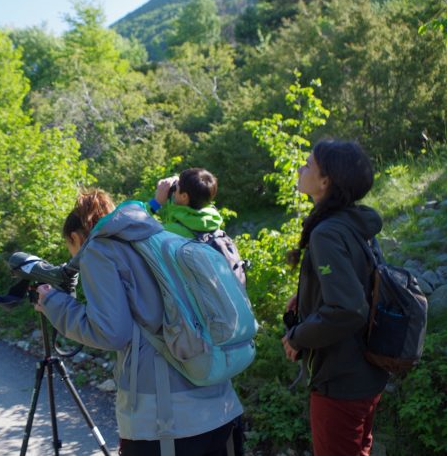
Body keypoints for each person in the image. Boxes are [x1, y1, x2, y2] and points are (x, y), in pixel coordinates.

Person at [35, 189, 243, 456]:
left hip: (166, 422)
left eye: (70, 249)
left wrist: (53, 303)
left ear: (75, 237)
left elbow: (112, 332)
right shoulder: (160, 236)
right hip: (219, 402)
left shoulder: (99, 250)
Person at [281, 140, 389, 456]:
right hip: (367, 369)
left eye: (308, 164)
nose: (302, 168)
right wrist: (308, 292)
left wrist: (298, 337)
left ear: (326, 181)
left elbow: (348, 308)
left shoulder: (326, 231)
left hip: (341, 378)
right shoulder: (354, 221)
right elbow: (361, 278)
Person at [148, 168, 223, 239]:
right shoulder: (211, 219)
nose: (173, 191)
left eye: (175, 188)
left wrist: (156, 203)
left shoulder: (171, 231)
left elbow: (138, 226)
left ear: (184, 196)